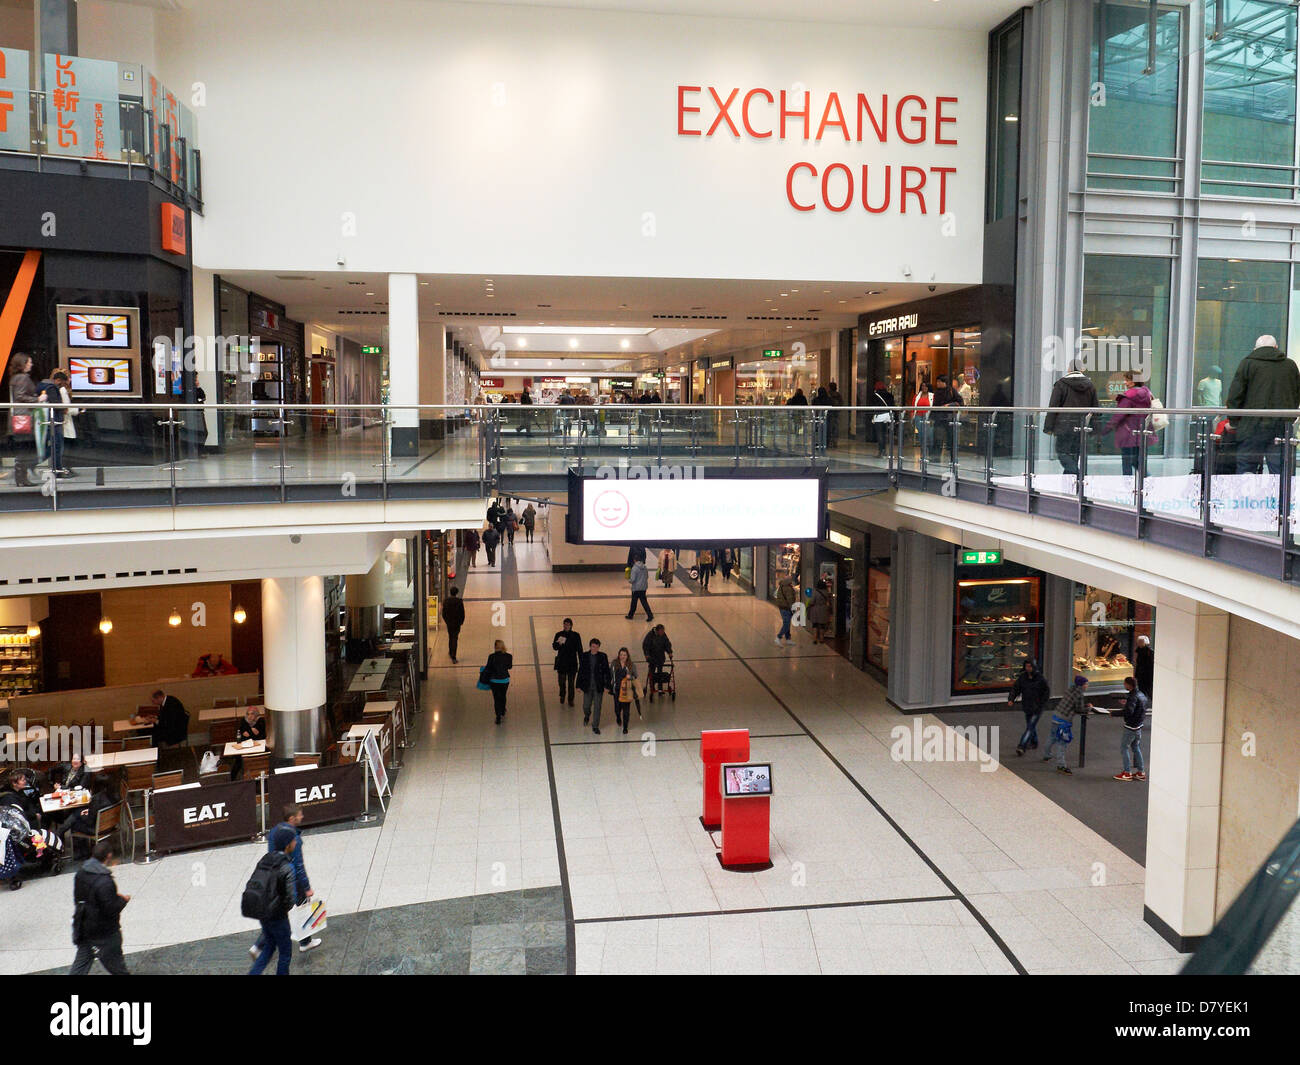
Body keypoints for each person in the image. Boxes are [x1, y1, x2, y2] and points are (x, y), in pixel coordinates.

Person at [249, 805, 321, 959]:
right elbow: (299, 865)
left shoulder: (275, 831)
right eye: (299, 815)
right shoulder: (293, 838)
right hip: (292, 879)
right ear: (291, 818)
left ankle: (258, 946)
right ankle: (305, 942)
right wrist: (307, 887)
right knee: (302, 909)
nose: (302, 817)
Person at [1226, 334, 1300, 475]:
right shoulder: (1290, 365)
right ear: (1276, 348)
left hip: (1251, 427)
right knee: (1281, 473)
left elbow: (1235, 395)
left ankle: (1247, 497)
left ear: (1255, 349)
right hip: (1282, 427)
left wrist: (1234, 421)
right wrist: (1290, 418)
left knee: (1246, 471)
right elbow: (1296, 394)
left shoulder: (1247, 364)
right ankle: (1282, 497)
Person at [69, 840, 131, 975]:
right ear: (108, 856)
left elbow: (78, 899)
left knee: (80, 965)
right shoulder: (105, 881)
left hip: (84, 927)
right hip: (104, 933)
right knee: (117, 967)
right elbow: (110, 909)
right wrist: (122, 900)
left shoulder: (80, 873)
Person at [246, 825, 301, 976]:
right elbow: (291, 897)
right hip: (278, 916)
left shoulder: (265, 859)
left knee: (269, 946)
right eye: (293, 840)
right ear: (287, 844)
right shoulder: (287, 866)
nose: (296, 843)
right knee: (285, 953)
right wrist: (285, 908)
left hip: (262, 912)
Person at [1043, 358, 1098, 476]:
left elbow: (1053, 406)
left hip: (1063, 426)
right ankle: (1070, 480)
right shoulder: (1090, 385)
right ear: (1082, 369)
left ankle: (1077, 473)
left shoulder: (1061, 384)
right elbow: (1095, 408)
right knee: (1074, 454)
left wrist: (1048, 427)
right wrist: (1094, 428)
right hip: (1082, 425)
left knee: (1062, 452)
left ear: (1069, 369)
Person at [1103, 371, 1153, 477]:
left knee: (1127, 463)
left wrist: (1105, 429)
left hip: (1128, 433)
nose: (1125, 382)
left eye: (1127, 380)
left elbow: (1118, 415)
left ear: (1134, 381)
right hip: (1142, 432)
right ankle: (1148, 482)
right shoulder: (1147, 394)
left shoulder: (1129, 397)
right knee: (1137, 462)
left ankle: (1128, 487)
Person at [1042, 676, 1094, 775]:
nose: (1087, 686)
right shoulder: (1079, 694)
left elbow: (1072, 703)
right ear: (1082, 685)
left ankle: (1046, 755)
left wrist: (1084, 705)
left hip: (1056, 715)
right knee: (1062, 742)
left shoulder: (1071, 689)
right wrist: (1089, 708)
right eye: (1086, 684)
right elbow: (1079, 709)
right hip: (1064, 720)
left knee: (1052, 736)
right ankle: (1061, 765)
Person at [6, 352, 39, 487]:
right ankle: (22, 478)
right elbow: (21, 397)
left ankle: (21, 478)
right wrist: (38, 399)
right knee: (26, 449)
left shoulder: (15, 378)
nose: (31, 364)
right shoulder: (22, 378)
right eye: (29, 362)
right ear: (23, 364)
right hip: (22, 418)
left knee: (23, 450)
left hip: (17, 418)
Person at [1006, 659, 1050, 756]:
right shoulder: (1023, 677)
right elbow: (1016, 688)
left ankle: (1022, 746)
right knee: (1031, 725)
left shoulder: (1040, 679)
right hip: (1027, 706)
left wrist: (1041, 704)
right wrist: (1011, 699)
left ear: (1034, 667)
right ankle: (1034, 742)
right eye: (1026, 666)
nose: (1028, 668)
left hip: (1037, 708)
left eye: (1030, 666)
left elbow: (1046, 693)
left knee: (1030, 727)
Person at [1110, 676, 1150, 782]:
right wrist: (1127, 703)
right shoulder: (1141, 694)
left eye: (1124, 684)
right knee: (1136, 747)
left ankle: (1127, 772)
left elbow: (1128, 712)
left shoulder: (1132, 697)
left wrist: (1114, 713)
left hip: (1131, 727)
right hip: (1139, 726)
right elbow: (1138, 706)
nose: (1124, 686)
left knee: (1124, 748)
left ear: (1128, 685)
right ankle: (1141, 772)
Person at [36, 369, 74, 477]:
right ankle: (57, 470)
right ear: (58, 380)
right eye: (62, 383)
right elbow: (56, 405)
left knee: (50, 447)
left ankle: (55, 469)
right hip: (54, 422)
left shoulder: (42, 385)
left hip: (44, 421)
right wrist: (63, 407)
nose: (62, 386)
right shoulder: (52, 388)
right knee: (56, 447)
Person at [576, 638, 612, 734]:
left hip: (598, 686)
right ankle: (587, 715)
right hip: (587, 686)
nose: (594, 649)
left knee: (597, 706)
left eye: (596, 647)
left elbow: (607, 672)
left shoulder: (603, 656)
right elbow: (581, 671)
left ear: (599, 647)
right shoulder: (584, 656)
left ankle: (595, 726)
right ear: (590, 646)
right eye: (593, 647)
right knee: (586, 706)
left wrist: (607, 686)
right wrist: (578, 685)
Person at [929, 374, 963, 462]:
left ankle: (953, 459)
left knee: (951, 439)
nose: (937, 383)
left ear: (944, 382)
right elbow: (935, 406)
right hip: (939, 419)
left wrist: (949, 405)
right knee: (937, 439)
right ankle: (935, 458)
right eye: (937, 382)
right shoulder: (937, 392)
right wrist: (931, 418)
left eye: (939, 382)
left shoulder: (951, 390)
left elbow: (960, 402)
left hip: (949, 419)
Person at [229, 705, 267, 781]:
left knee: (260, 760)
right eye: (248, 714)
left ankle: (258, 775)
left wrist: (252, 733)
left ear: (256, 715)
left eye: (252, 714)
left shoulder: (260, 720)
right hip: (245, 746)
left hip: (257, 747)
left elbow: (261, 735)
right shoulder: (244, 720)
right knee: (238, 759)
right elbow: (241, 733)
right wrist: (252, 733)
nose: (249, 716)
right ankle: (232, 780)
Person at [609, 647, 639, 735]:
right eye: (621, 655)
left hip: (627, 691)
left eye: (624, 655)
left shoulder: (631, 665)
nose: (622, 656)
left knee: (626, 710)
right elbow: (610, 675)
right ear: (619, 655)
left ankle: (625, 727)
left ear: (627, 656)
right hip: (617, 689)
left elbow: (636, 676)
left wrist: (631, 677)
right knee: (617, 708)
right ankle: (618, 717)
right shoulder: (614, 664)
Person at [552, 618, 582, 706]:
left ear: (571, 625)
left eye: (568, 624)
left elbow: (579, 649)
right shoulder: (559, 634)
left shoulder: (576, 635)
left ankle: (570, 699)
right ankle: (562, 694)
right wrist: (559, 643)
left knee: (571, 683)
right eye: (565, 624)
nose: (566, 626)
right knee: (561, 682)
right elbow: (554, 647)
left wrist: (582, 662)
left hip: (572, 662)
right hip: (561, 662)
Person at [482, 639, 513, 724]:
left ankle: (498, 716)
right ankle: (503, 709)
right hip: (504, 680)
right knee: (503, 695)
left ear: (495, 647)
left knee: (496, 698)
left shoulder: (491, 656)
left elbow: (488, 668)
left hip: (494, 680)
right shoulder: (509, 656)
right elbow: (509, 667)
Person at [642, 624, 673, 692]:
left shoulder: (663, 635)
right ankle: (652, 686)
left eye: (663, 631)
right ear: (657, 630)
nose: (663, 633)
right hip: (652, 657)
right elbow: (645, 645)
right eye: (661, 631)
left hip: (660, 657)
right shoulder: (650, 635)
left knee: (660, 672)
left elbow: (667, 643)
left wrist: (669, 652)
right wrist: (647, 655)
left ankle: (660, 687)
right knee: (652, 672)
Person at [870, 381, 896, 458]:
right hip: (888, 415)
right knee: (884, 434)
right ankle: (884, 450)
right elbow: (893, 405)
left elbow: (872, 406)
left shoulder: (875, 395)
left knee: (879, 434)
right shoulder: (889, 395)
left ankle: (881, 450)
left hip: (879, 415)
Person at [442, 586, 465, 663]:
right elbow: (462, 613)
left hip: (449, 623)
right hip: (456, 623)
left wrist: (447, 621)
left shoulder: (446, 601)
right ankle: (453, 656)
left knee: (450, 636)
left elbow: (443, 613)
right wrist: (461, 622)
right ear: (457, 593)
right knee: (455, 638)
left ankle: (450, 651)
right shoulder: (459, 602)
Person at [774, 573, 797, 646]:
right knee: (786, 624)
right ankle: (778, 637)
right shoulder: (788, 588)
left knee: (787, 622)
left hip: (782, 607)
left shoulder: (781, 586)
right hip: (786, 608)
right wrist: (793, 608)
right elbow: (790, 600)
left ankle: (788, 638)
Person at [1134, 634, 1154, 708]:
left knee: (1148, 690)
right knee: (1142, 689)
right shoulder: (1139, 651)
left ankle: (1150, 703)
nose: (1139, 643)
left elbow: (1150, 665)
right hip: (1141, 674)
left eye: (1141, 642)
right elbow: (1138, 664)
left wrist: (1151, 677)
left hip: (1147, 675)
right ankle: (1142, 704)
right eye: (1139, 642)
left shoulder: (1149, 652)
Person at [826, 381, 843, 448]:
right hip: (836, 414)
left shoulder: (828, 395)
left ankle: (829, 442)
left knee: (829, 429)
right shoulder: (838, 395)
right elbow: (841, 403)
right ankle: (834, 442)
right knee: (835, 429)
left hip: (829, 414)